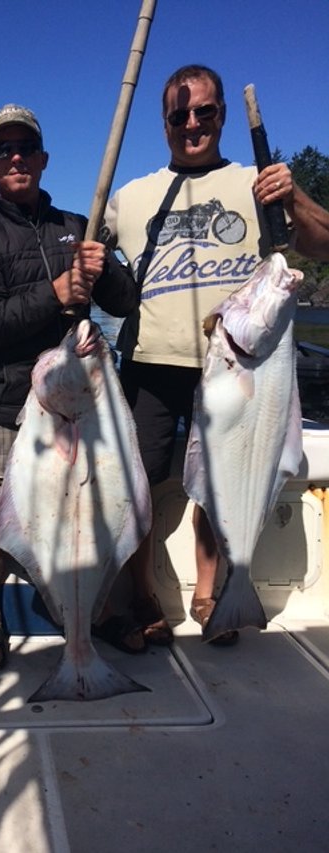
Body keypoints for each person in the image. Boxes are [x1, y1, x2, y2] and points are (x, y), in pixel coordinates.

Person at [103, 64, 329, 646]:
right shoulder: (131, 197)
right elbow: (91, 264)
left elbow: (324, 242)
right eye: (180, 114)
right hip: (153, 363)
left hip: (238, 369)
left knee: (222, 479)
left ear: (224, 114)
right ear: (165, 123)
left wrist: (295, 193)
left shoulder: (258, 184)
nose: (193, 123)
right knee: (139, 484)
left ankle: (212, 593)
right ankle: (144, 596)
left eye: (205, 111)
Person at [0, 104, 138, 670]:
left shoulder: (77, 227)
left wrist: (105, 270)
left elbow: (126, 305)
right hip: (11, 408)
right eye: (4, 150)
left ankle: (91, 611)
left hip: (88, 411)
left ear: (43, 159)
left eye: (25, 148)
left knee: (90, 517)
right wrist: (56, 292)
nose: (16, 158)